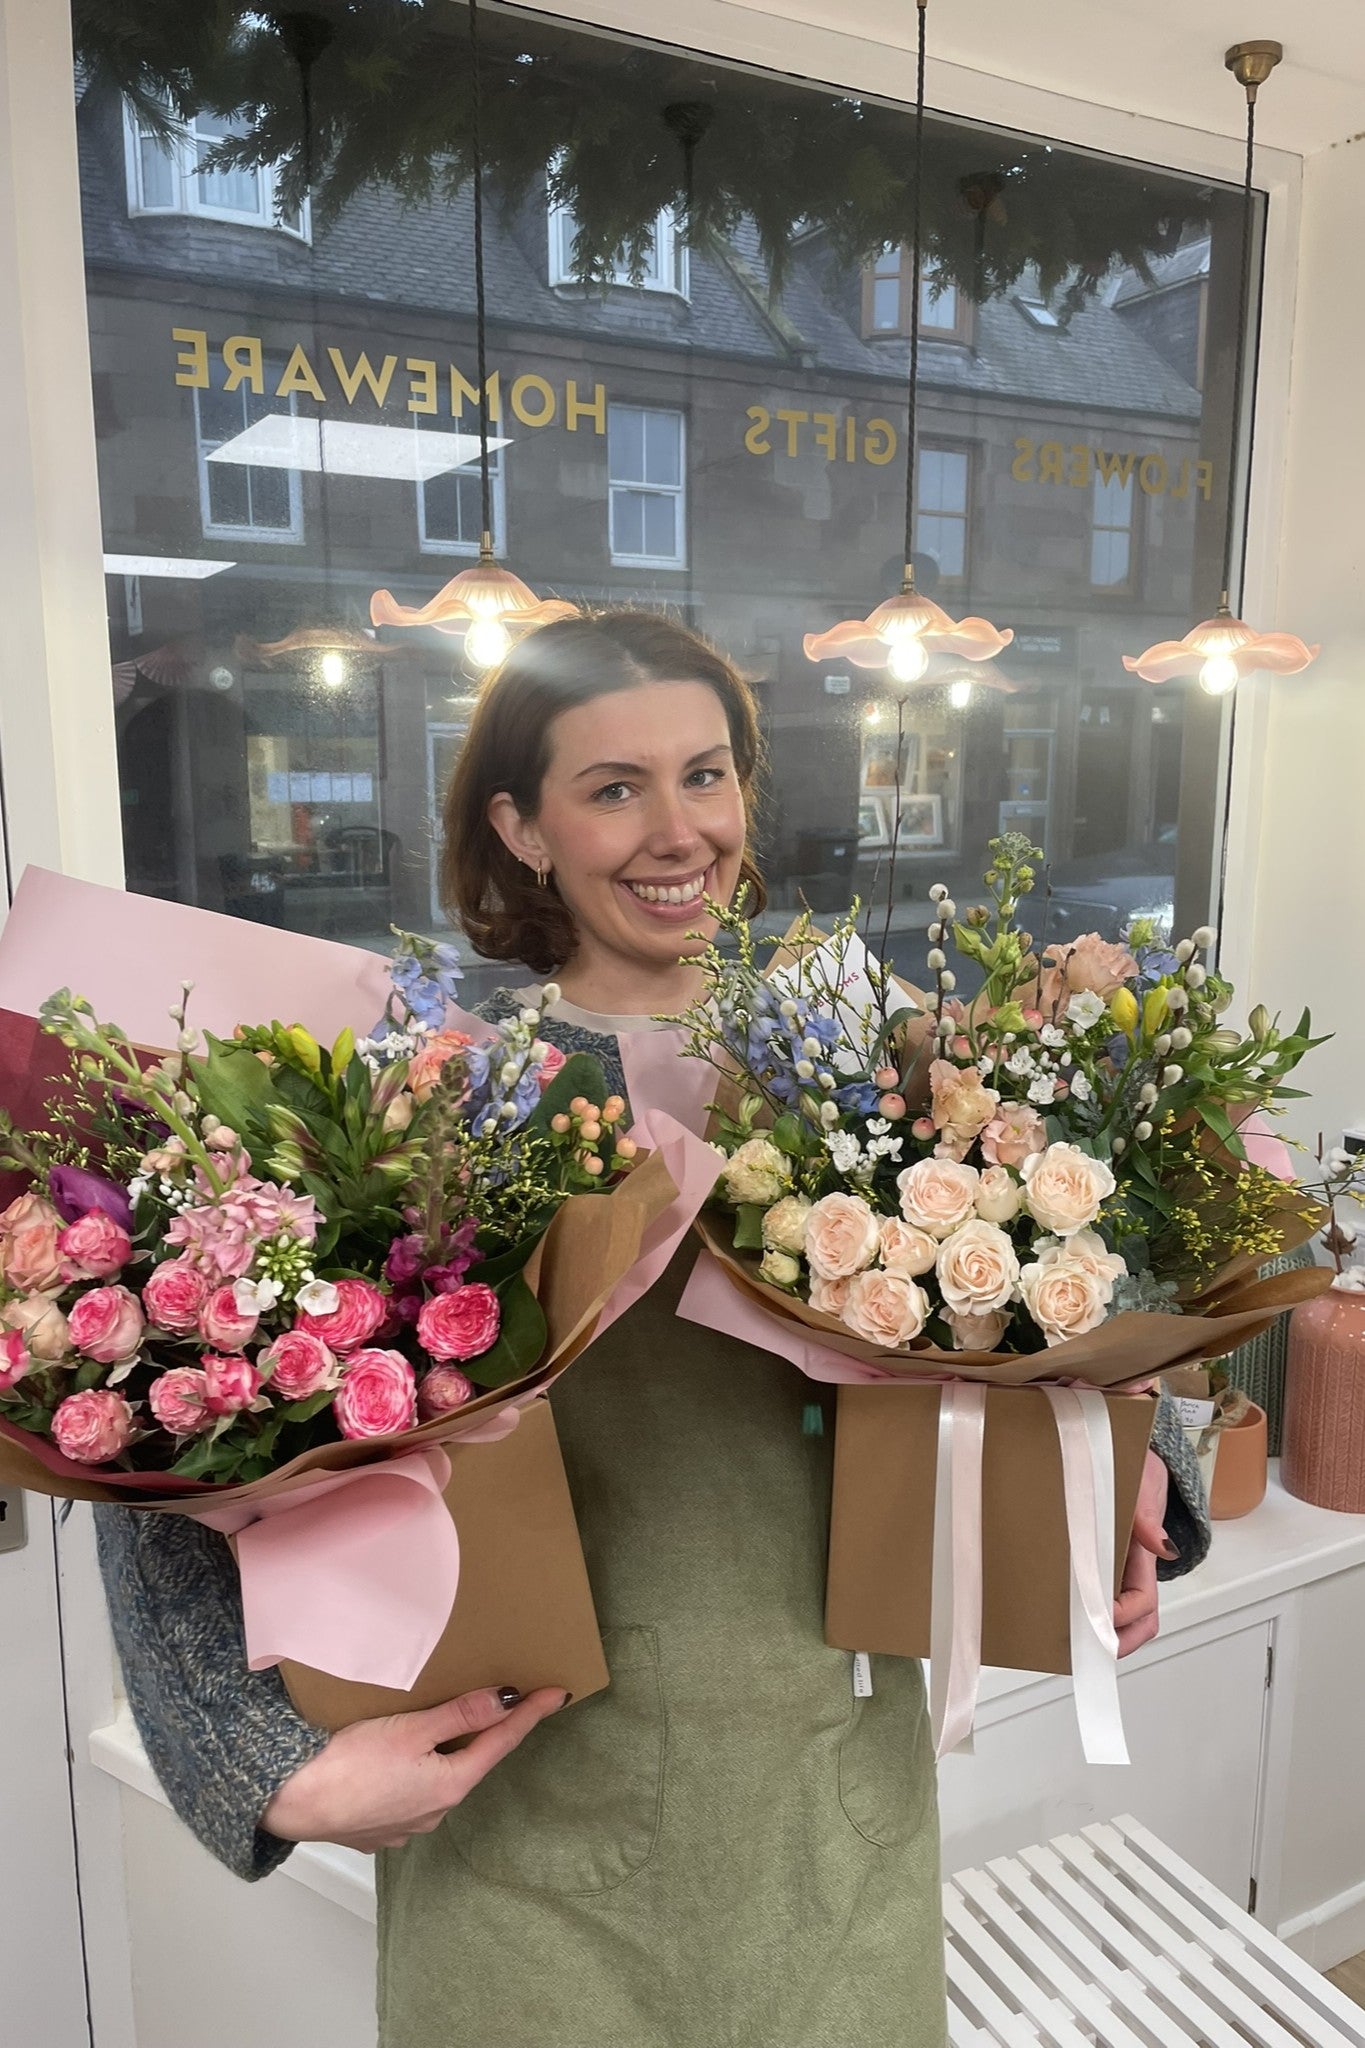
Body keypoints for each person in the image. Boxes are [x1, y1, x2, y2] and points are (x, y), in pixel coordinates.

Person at [96, 610, 1208, 2048]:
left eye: (705, 775)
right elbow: (166, 1408)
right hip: (520, 1827)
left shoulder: (877, 1058)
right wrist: (260, 1765)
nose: (677, 833)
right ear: (521, 827)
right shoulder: (432, 1093)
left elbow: (1117, 1277)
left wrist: (1128, 1454)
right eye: (612, 788)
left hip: (832, 1800)